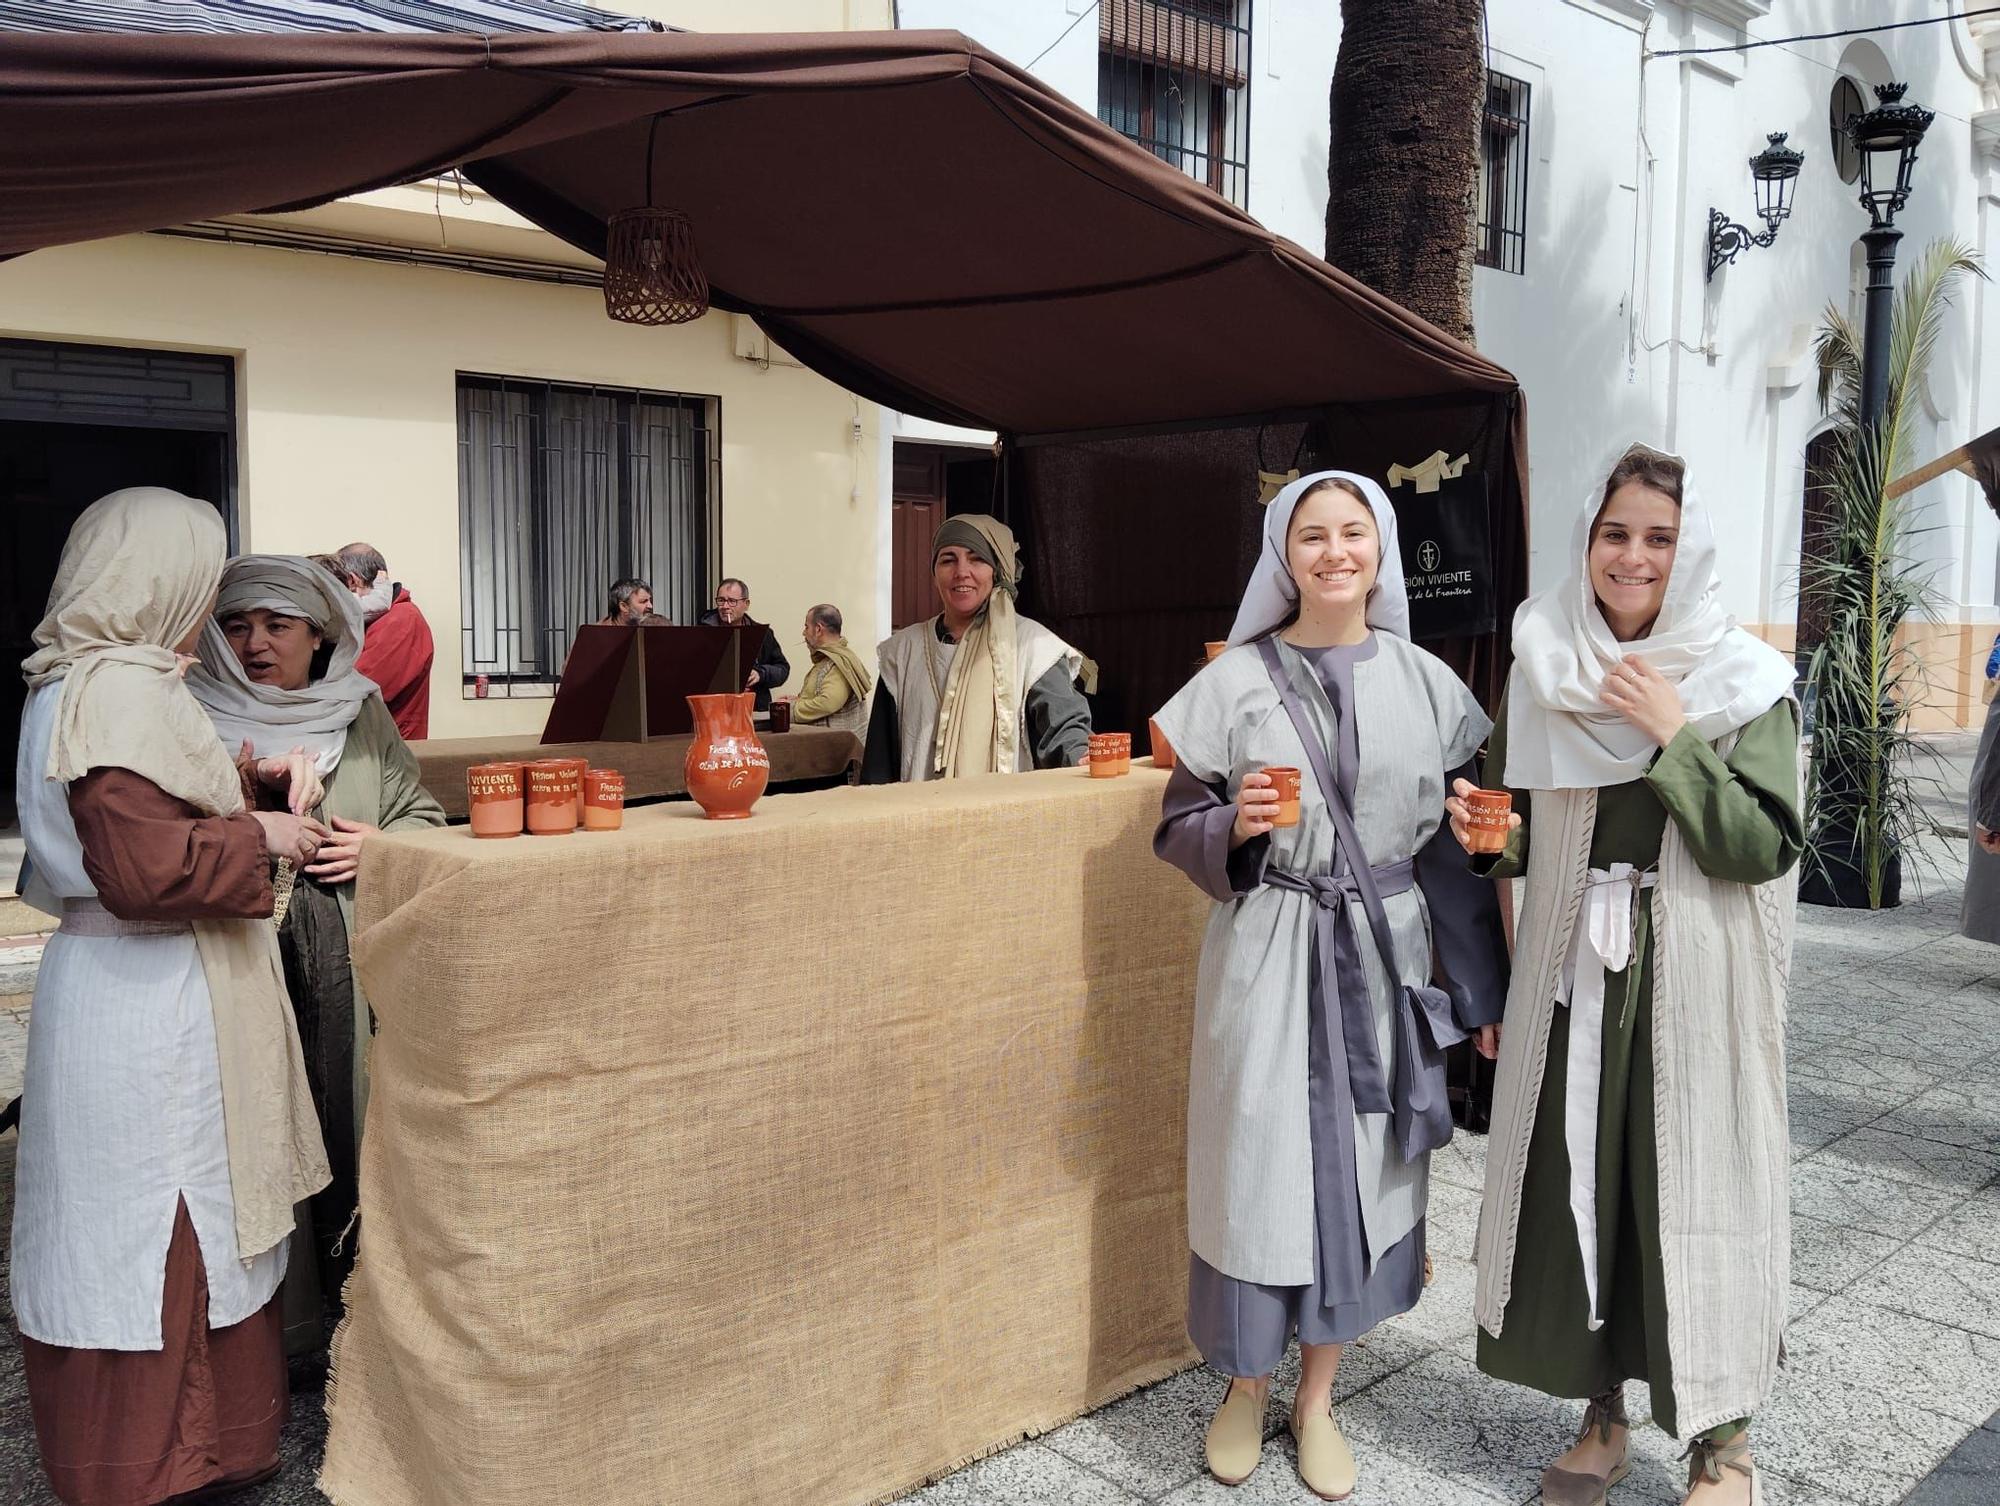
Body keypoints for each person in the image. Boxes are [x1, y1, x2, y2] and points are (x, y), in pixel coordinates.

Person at [1150, 472, 1508, 1498]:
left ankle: (1314, 1402)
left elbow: (1444, 856)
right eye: (1312, 535)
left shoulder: (1426, 683)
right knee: (1256, 1168)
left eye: (1354, 533)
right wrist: (1238, 828)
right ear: (1282, 555)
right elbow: (1175, 829)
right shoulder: (1229, 684)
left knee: (1357, 1173)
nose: (1334, 551)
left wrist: (1477, 996)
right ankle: (1241, 1390)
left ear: (1381, 550)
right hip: (1264, 955)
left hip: (1380, 962)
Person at [1456, 444, 1801, 1506]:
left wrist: (1670, 737)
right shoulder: (1544, 661)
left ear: (1684, 551)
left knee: (1696, 1199)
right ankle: (1599, 1420)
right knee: (1579, 1199)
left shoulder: (1740, 681)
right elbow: (1522, 822)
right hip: (1572, 983)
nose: (1632, 556)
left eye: (1657, 537)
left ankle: (1721, 1446)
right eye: (1614, 533)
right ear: (1586, 542)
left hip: (1689, 984)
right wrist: (1492, 839)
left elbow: (1760, 846)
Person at [14, 488, 331, 1506]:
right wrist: (268, 836)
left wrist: (237, 781)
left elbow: (133, 813)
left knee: (158, 1213)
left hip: (116, 984)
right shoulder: (123, 690)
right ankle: (170, 1461)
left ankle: (194, 1450)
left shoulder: (71, 682)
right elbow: (143, 869)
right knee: (170, 1211)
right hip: (155, 994)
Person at [188, 554, 447, 1357]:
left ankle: (349, 1314)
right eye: (238, 624)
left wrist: (381, 850)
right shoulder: (191, 711)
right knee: (247, 1129)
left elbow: (423, 816)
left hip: (336, 953)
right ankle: (276, 1329)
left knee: (341, 1118)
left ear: (320, 635)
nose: (256, 642)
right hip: (228, 952)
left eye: (278, 625)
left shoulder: (358, 715)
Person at [862, 516, 1091, 783]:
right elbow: (878, 765)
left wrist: (1081, 756)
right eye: (948, 560)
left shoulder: (1032, 645)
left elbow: (1063, 727)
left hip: (1004, 817)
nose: (962, 572)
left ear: (997, 570)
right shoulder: (903, 651)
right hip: (922, 817)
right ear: (934, 572)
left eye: (977, 559)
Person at [333, 541, 434, 741]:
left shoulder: (401, 620)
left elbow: (358, 691)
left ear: (352, 582)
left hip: (385, 753)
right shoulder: (380, 619)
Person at [698, 577, 789, 711]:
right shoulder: (702, 632)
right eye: (721, 600)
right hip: (714, 709)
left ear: (746, 604)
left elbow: (782, 669)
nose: (725, 607)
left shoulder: (762, 634)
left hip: (753, 709)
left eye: (732, 601)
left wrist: (760, 674)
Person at [791, 603, 873, 738]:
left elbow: (828, 702)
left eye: (806, 627)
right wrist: (797, 699)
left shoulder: (839, 663)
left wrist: (792, 710)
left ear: (818, 629)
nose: (804, 633)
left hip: (834, 751)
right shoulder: (831, 659)